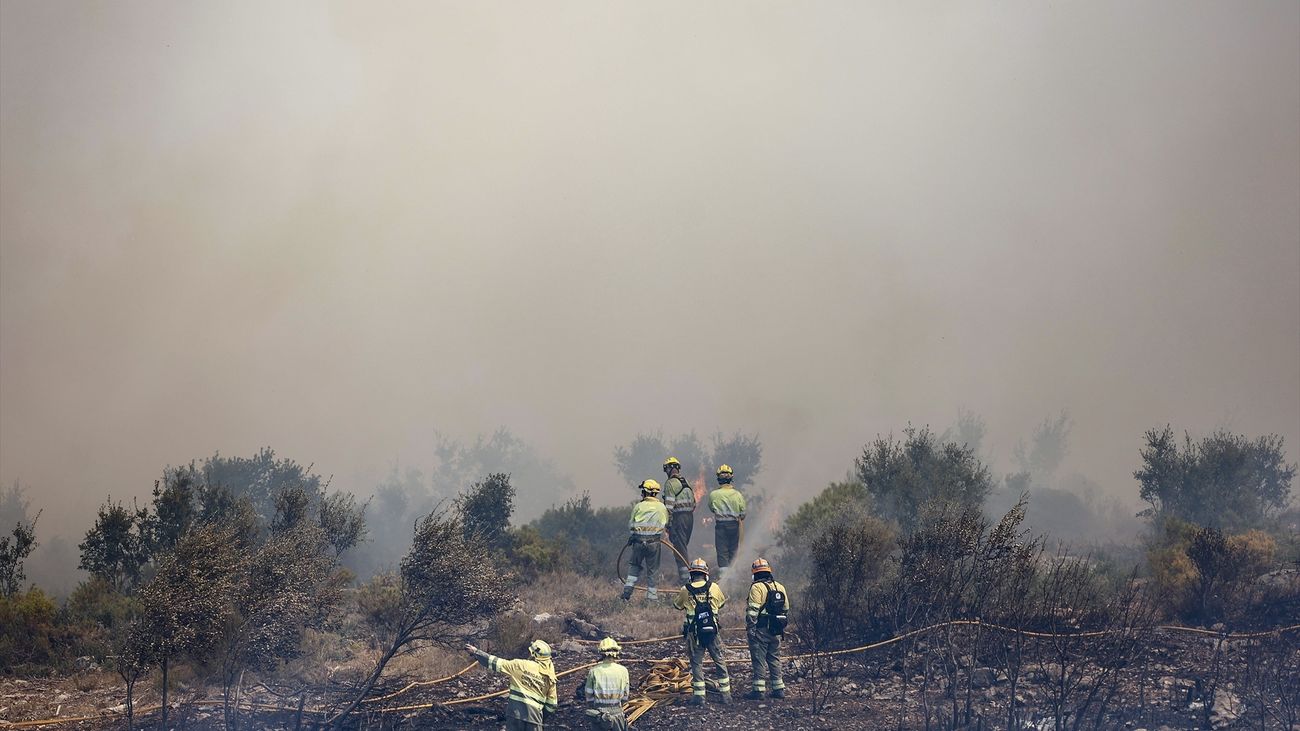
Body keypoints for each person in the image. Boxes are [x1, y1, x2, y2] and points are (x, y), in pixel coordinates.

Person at [672, 558, 732, 706]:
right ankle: (726, 696)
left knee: (696, 663)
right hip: (713, 632)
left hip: (694, 634)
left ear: (692, 574)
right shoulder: (715, 587)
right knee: (719, 661)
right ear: (706, 574)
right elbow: (722, 603)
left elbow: (677, 605)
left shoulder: (686, 589)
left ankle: (699, 697)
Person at [464, 639, 559, 730]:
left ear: (533, 654)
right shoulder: (550, 676)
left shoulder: (519, 665)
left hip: (515, 716)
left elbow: (495, 662)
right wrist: (540, 717)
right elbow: (552, 705)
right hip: (535, 721)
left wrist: (476, 652)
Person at [744, 558, 790, 700]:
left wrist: (751, 630)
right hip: (776, 630)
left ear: (755, 574)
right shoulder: (780, 587)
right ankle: (778, 689)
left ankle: (758, 691)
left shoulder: (756, 588)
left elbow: (753, 611)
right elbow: (786, 608)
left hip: (761, 629)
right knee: (774, 659)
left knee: (759, 659)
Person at [622, 479, 669, 602]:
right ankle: (652, 599)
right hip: (654, 543)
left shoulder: (638, 506)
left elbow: (631, 525)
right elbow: (666, 523)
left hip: (638, 542)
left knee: (634, 567)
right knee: (652, 571)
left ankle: (626, 593)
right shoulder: (662, 507)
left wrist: (634, 536)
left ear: (645, 492)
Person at [579, 637, 629, 730]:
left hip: (599, 715)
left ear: (601, 652)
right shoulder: (623, 670)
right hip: (617, 713)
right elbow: (625, 696)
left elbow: (589, 695)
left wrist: (593, 705)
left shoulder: (594, 671)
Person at [707, 464, 746, 581]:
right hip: (734, 526)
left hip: (721, 527)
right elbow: (743, 514)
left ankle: (724, 579)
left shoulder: (714, 495)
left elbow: (711, 508)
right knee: (733, 551)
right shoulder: (738, 495)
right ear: (731, 478)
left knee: (722, 552)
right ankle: (732, 579)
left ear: (719, 478)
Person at [661, 457, 696, 583]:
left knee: (680, 549)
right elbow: (694, 504)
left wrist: (668, 524)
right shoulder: (686, 482)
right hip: (689, 518)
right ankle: (686, 577)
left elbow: (669, 507)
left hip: (678, 518)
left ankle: (686, 581)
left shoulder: (670, 484)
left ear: (669, 469)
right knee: (682, 547)